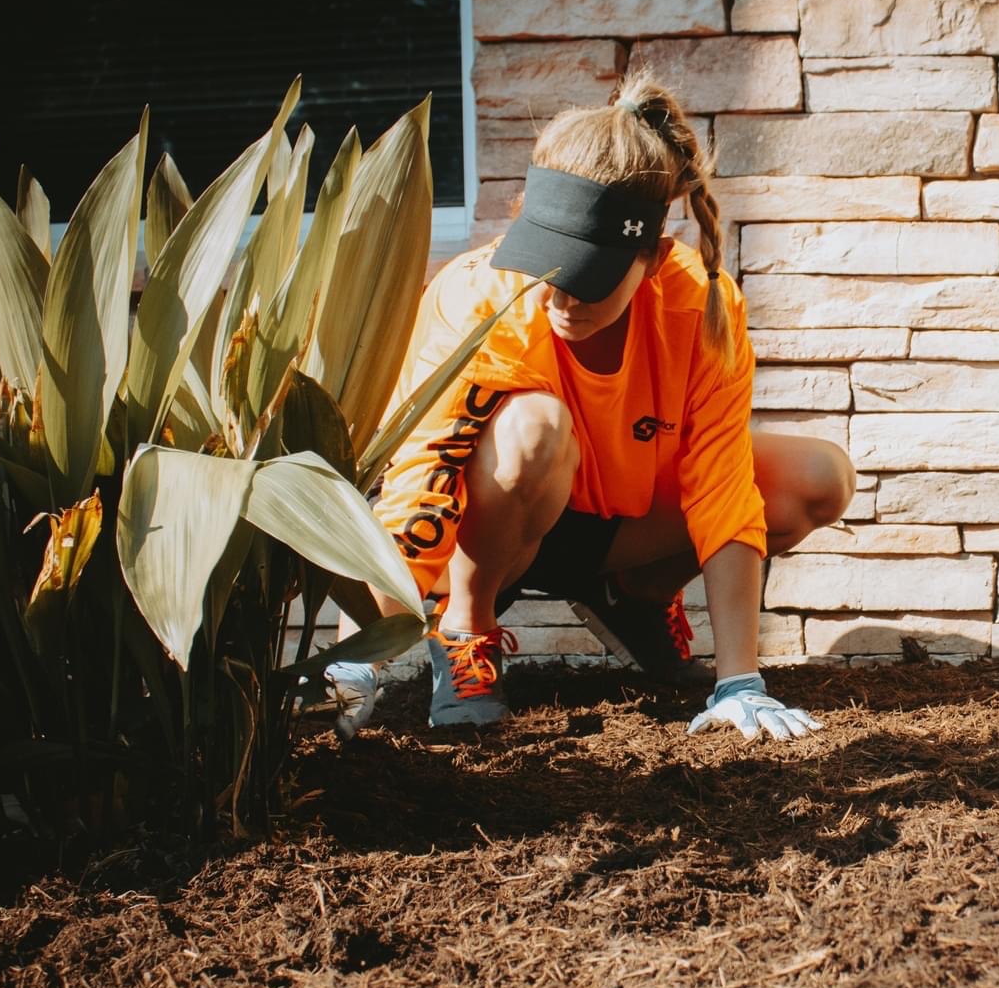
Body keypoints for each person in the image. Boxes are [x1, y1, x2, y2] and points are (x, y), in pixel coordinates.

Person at [326, 72, 854, 741]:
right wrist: (355, 656)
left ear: (654, 257)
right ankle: (466, 627)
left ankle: (634, 597)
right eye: (549, 267)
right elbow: (421, 484)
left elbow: (723, 485)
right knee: (532, 430)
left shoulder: (697, 307)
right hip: (500, 522)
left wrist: (740, 681)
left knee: (816, 478)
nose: (560, 300)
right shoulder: (480, 302)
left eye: (587, 279)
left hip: (618, 520)